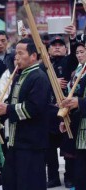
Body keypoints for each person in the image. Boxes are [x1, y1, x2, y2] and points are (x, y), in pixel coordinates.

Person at [0, 38, 51, 190]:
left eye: (21, 53)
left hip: (31, 143)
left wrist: (7, 109)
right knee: (11, 182)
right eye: (16, 53)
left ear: (33, 56)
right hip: (16, 141)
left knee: (29, 183)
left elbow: (34, 107)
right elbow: (11, 102)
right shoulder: (19, 76)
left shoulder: (39, 77)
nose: (16, 57)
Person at [45, 25, 78, 188]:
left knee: (68, 146)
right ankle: (53, 177)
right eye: (53, 45)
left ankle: (70, 176)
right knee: (49, 147)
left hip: (68, 111)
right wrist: (52, 82)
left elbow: (74, 51)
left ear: (65, 49)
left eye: (60, 45)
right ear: (48, 50)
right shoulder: (44, 66)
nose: (57, 47)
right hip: (50, 111)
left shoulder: (70, 61)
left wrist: (72, 38)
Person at [60, 35, 86, 190]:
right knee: (80, 168)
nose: (80, 55)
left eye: (82, 52)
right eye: (78, 52)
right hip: (79, 124)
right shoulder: (77, 71)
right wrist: (65, 116)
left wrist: (80, 102)